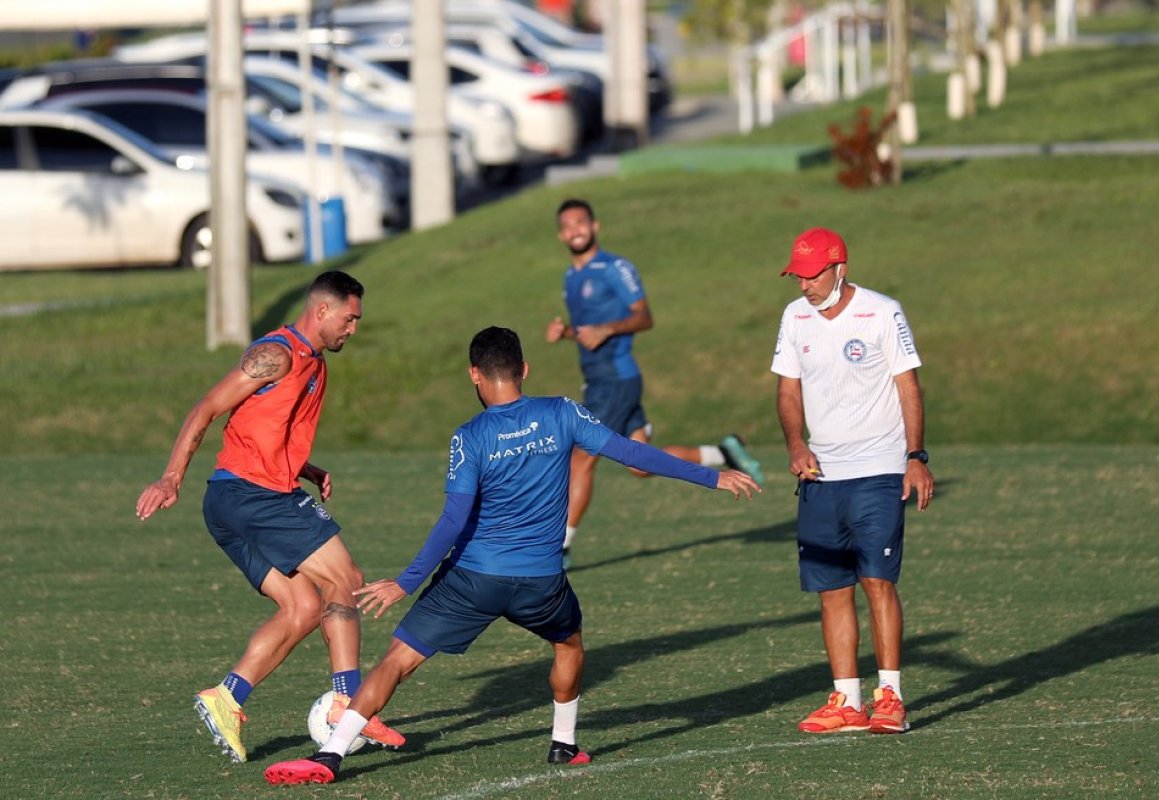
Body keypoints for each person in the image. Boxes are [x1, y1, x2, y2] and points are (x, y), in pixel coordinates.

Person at [262, 326, 761, 785]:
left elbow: (453, 521)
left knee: (396, 659)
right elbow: (631, 453)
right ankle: (564, 745)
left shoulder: (470, 436)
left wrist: (405, 582)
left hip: (472, 579)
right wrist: (711, 475)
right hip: (542, 582)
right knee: (569, 647)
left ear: (474, 374)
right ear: (524, 369)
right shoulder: (563, 412)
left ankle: (330, 756)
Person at [134, 271, 406, 763]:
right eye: (350, 319)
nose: (353, 329)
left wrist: (304, 466)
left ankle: (227, 697)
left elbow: (260, 429)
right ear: (322, 311)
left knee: (302, 608)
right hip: (253, 496)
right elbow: (206, 409)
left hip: (234, 501)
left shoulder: (316, 363)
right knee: (345, 577)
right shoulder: (277, 353)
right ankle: (346, 701)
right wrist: (171, 477)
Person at [770, 227, 934, 735]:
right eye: (798, 275)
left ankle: (890, 695)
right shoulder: (795, 317)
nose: (805, 286)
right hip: (821, 477)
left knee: (877, 582)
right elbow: (788, 389)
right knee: (831, 589)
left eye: (813, 273)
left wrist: (915, 456)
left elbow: (908, 385)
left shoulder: (883, 311)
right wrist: (796, 444)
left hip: (879, 469)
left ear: (840, 267)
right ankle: (847, 700)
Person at [545, 198, 764, 569]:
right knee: (640, 466)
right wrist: (566, 332)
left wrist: (608, 328)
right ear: (559, 234)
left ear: (595, 226)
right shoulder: (571, 276)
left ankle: (559, 551)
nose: (574, 231)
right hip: (601, 380)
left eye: (581, 223)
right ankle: (721, 452)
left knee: (581, 457)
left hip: (615, 380)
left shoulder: (615, 267)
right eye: (567, 226)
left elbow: (644, 316)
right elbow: (590, 333)